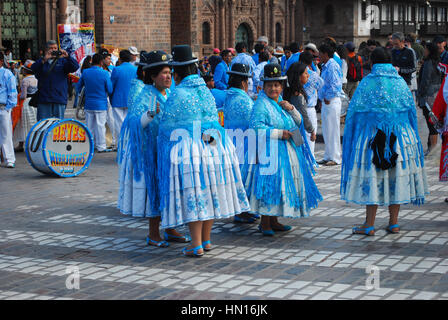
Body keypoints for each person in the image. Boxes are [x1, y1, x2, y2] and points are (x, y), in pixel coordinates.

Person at [157, 45, 250, 257]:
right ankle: (206, 240)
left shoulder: (178, 93)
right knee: (210, 191)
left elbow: (167, 127)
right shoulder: (206, 92)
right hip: (213, 144)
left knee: (194, 193)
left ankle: (195, 243)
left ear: (177, 72)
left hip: (189, 149)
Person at [341, 47, 429, 236]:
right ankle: (394, 223)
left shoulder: (366, 83)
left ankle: (369, 224)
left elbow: (354, 114)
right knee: (396, 178)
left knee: (372, 178)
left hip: (372, 139)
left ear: (372, 63)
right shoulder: (400, 83)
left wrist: (354, 138)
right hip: (401, 140)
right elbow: (411, 113)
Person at [117, 50, 190, 247]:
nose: (167, 77)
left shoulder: (170, 94)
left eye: (169, 72)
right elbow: (133, 123)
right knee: (154, 192)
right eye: (163, 73)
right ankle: (153, 233)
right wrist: (150, 114)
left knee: (170, 190)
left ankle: (170, 228)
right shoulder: (146, 96)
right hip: (151, 153)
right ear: (152, 76)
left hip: (168, 151)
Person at [242, 63, 322, 236]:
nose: (274, 88)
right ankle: (265, 222)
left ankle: (274, 220)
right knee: (269, 186)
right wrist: (279, 133)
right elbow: (255, 128)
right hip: (267, 153)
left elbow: (298, 122)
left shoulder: (280, 103)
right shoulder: (261, 105)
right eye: (270, 85)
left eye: (277, 85)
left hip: (284, 151)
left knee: (280, 186)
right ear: (263, 86)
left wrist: (291, 109)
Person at [223, 63, 258, 224]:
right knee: (244, 178)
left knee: (240, 177)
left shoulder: (231, 96)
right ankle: (242, 211)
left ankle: (244, 210)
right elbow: (253, 121)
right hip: (244, 143)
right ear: (244, 82)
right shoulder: (242, 100)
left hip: (233, 141)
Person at [31, 40, 79, 120]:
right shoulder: (42, 62)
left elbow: (75, 67)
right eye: (51, 48)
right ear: (46, 50)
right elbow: (33, 68)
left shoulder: (63, 62)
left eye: (55, 48)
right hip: (44, 99)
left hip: (59, 98)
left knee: (58, 126)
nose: (53, 50)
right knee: (43, 126)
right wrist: (44, 59)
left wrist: (68, 57)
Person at [78, 53, 113, 153]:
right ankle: (101, 146)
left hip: (89, 103)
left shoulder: (85, 72)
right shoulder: (105, 73)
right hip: (101, 103)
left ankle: (89, 145)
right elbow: (110, 89)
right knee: (100, 126)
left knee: (89, 126)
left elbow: (78, 87)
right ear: (101, 62)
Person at [317, 43, 343, 166]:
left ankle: (335, 157)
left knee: (333, 129)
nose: (318, 55)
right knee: (327, 130)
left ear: (326, 54)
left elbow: (335, 84)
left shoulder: (332, 66)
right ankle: (328, 155)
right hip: (326, 101)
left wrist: (327, 97)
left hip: (331, 100)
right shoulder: (325, 66)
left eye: (320, 53)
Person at [417, 42, 442, 156]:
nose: (424, 51)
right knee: (434, 123)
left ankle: (432, 150)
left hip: (428, 96)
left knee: (430, 124)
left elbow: (425, 81)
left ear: (430, 51)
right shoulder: (438, 62)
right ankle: (432, 149)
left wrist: (420, 95)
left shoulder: (428, 63)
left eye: (426, 49)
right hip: (436, 95)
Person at [110, 49, 137, 146]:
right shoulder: (135, 69)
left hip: (118, 99)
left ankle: (122, 144)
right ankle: (129, 143)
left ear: (120, 58)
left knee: (119, 124)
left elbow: (111, 86)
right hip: (132, 100)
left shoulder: (116, 69)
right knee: (129, 123)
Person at [299, 52, 324, 155]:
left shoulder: (295, 73)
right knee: (310, 138)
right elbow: (321, 85)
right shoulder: (313, 75)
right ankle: (311, 159)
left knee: (298, 137)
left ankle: (301, 159)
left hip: (296, 108)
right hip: (309, 108)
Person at [13, 60, 37, 152]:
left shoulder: (25, 80)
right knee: (33, 122)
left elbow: (23, 95)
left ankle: (21, 144)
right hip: (36, 103)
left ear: (26, 70)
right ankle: (34, 143)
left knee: (23, 123)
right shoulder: (37, 78)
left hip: (26, 103)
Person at [0, 52, 18, 168]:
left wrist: (8, 107)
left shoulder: (7, 74)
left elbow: (12, 91)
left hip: (3, 107)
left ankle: (9, 158)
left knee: (6, 134)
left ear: (1, 61)